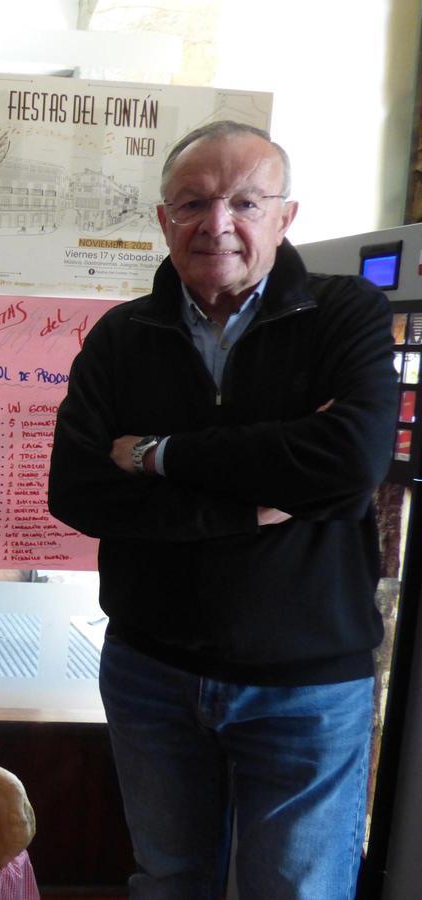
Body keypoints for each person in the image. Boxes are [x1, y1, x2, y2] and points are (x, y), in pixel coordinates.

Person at [48, 120, 397, 899]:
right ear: (163, 218)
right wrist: (247, 507)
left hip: (305, 686)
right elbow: (76, 490)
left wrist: (160, 454)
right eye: (194, 202)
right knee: (170, 881)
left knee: (295, 891)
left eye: (245, 201)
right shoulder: (120, 337)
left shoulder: (347, 316)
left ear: (286, 216)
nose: (218, 224)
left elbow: (347, 465)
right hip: (152, 673)